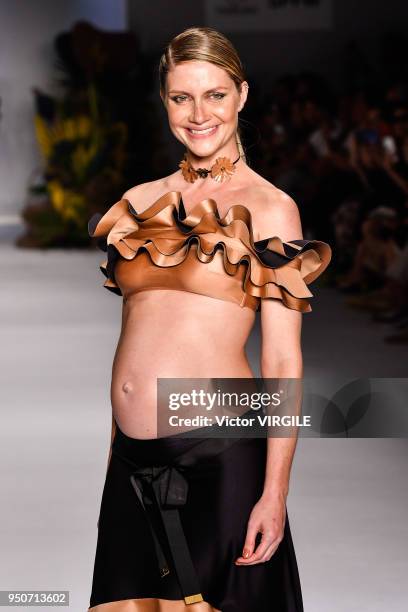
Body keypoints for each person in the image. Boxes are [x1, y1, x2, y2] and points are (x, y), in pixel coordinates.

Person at [86, 27, 332, 612]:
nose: (199, 114)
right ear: (165, 101)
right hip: (130, 459)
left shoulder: (271, 207)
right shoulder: (142, 202)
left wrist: (274, 494)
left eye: (215, 95)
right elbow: (137, 337)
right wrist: (114, 452)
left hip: (217, 454)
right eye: (181, 97)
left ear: (241, 96)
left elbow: (281, 358)